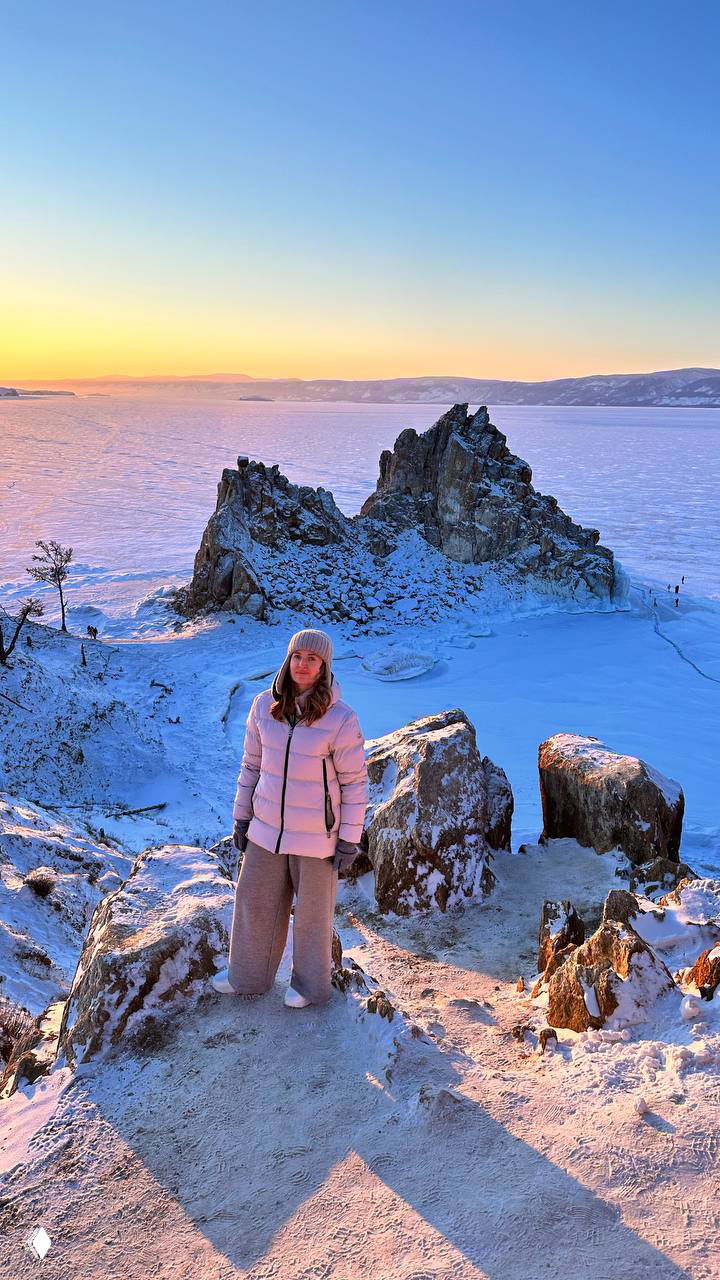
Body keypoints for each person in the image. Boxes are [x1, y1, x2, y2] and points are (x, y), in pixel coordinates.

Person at [212, 628, 369, 1008]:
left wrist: (349, 837)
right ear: (288, 660)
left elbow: (354, 782)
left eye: (312, 659)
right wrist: (242, 817)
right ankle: (246, 977)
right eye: (298, 656)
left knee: (313, 917)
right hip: (265, 829)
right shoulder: (264, 706)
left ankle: (310, 989)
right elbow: (251, 765)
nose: (303, 664)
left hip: (318, 835)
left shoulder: (341, 718)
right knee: (253, 904)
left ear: (324, 666)